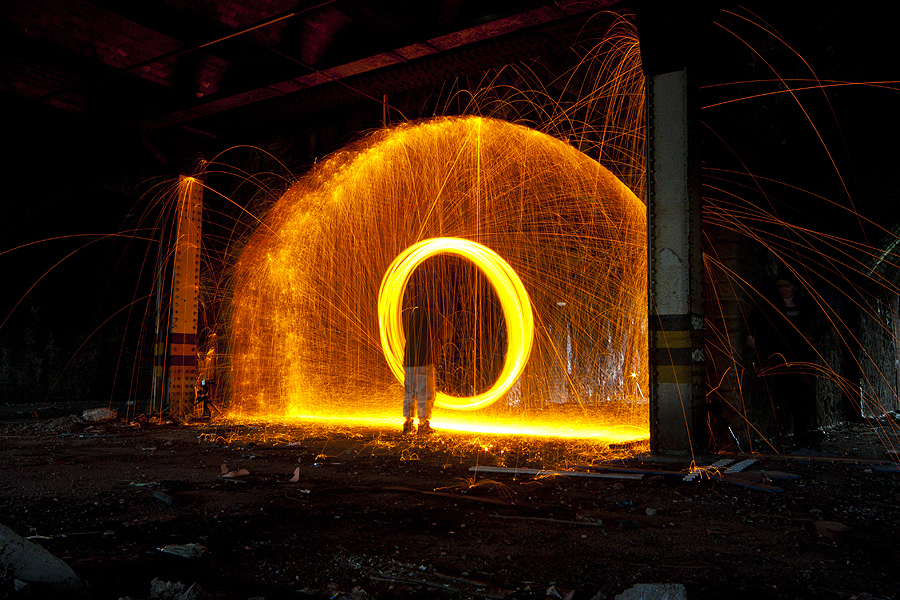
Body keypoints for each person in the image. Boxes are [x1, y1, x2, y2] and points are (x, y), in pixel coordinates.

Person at [746, 278, 821, 450]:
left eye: (787, 286)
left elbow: (823, 320)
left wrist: (813, 335)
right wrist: (750, 335)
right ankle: (789, 435)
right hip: (780, 353)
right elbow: (753, 318)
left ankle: (803, 437)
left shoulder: (805, 303)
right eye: (780, 287)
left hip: (801, 355)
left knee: (803, 397)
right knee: (785, 394)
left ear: (794, 287)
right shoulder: (772, 304)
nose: (783, 290)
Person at [402, 290, 440, 435]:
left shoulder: (410, 315)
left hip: (410, 359)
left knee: (410, 393)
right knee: (426, 392)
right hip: (424, 360)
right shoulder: (430, 315)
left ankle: (408, 423)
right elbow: (443, 332)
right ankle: (423, 424)